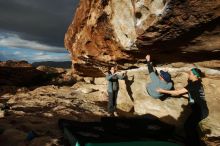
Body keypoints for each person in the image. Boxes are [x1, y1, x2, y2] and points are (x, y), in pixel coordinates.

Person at [157, 68, 209, 146]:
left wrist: (163, 91)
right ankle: (193, 142)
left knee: (188, 127)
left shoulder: (193, 84)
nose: (189, 75)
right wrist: (173, 94)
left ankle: (194, 143)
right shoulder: (198, 84)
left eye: (190, 74)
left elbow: (178, 92)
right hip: (201, 110)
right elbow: (190, 95)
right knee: (190, 127)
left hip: (200, 111)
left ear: (195, 76)